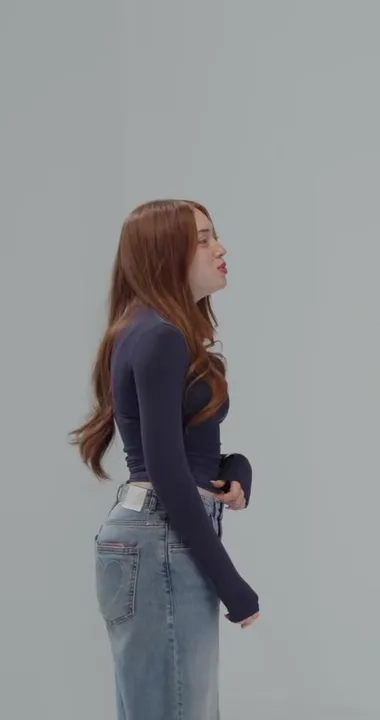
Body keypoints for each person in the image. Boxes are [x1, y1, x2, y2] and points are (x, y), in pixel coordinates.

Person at [71, 199, 260, 720]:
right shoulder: (160, 336)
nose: (219, 248)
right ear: (164, 254)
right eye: (202, 239)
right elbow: (166, 472)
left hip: (150, 537)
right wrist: (231, 584)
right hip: (162, 542)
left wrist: (234, 467)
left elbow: (177, 452)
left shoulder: (151, 331)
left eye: (214, 235)